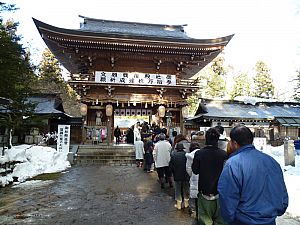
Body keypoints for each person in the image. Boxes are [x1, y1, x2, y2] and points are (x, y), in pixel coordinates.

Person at [218, 125, 288, 225]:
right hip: (269, 221)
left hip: (242, 221)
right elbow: (282, 195)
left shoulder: (233, 164)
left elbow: (227, 197)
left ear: (234, 143)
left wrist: (230, 219)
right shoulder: (272, 162)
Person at [192, 127, 227, 225]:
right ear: (217, 140)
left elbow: (195, 171)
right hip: (220, 195)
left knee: (205, 221)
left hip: (204, 193)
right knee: (220, 221)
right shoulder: (224, 155)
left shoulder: (199, 153)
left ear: (206, 139)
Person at [169, 143, 190, 210]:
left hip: (177, 175)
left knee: (178, 189)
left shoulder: (173, 155)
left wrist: (172, 173)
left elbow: (171, 166)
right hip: (186, 175)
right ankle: (186, 203)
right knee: (186, 188)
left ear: (177, 149)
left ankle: (179, 205)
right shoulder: (186, 155)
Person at [185, 141, 201, 220]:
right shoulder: (202, 153)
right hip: (203, 178)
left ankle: (195, 212)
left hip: (194, 178)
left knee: (194, 197)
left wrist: (192, 175)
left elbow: (188, 169)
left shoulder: (190, 156)